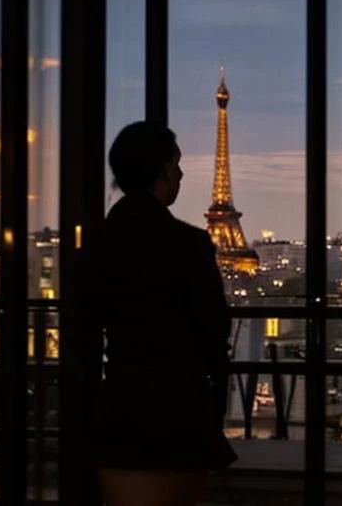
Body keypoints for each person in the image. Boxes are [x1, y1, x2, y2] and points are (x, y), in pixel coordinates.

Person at [80, 122, 237, 506]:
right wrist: (213, 409)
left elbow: (82, 332)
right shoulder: (189, 244)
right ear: (162, 170)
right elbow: (214, 332)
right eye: (176, 163)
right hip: (179, 410)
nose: (181, 173)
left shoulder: (95, 246)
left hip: (120, 406)